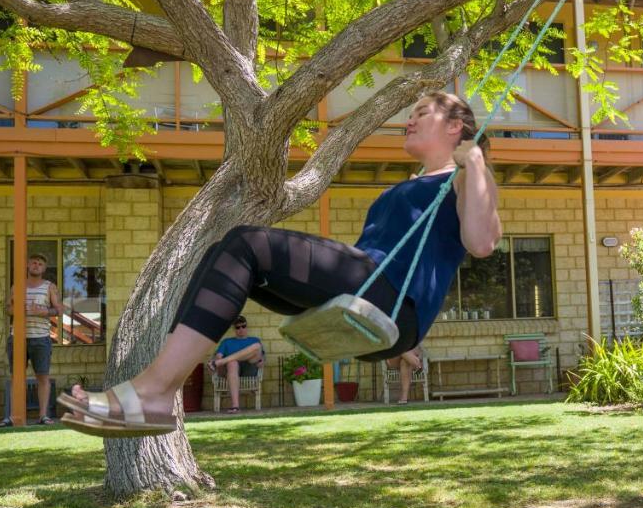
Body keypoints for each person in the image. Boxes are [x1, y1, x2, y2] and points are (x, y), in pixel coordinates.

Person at [60, 91, 501, 433]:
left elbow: (481, 243)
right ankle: (156, 392)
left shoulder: (464, 179)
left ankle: (153, 391)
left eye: (422, 112)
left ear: (455, 127)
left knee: (247, 243)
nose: (409, 119)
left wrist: (476, 161)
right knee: (233, 258)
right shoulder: (411, 184)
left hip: (392, 302)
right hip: (368, 291)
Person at [2, 252, 62, 426]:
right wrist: (15, 309)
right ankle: (14, 416)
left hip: (41, 338)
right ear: (27, 266)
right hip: (17, 337)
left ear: (44, 269)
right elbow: (7, 309)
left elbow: (58, 310)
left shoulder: (50, 287)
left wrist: (45, 312)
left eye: (40, 264)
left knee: (42, 377)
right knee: (16, 378)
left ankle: (43, 416)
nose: (36, 265)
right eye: (34, 263)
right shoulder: (17, 286)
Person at [210, 316, 265, 413]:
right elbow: (218, 357)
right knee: (232, 363)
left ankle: (226, 361)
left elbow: (261, 359)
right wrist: (221, 362)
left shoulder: (254, 340)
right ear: (234, 329)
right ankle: (235, 406)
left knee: (257, 346)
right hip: (231, 371)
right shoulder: (227, 342)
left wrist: (262, 361)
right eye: (238, 327)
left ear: (246, 327)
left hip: (250, 367)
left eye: (243, 326)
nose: (241, 329)